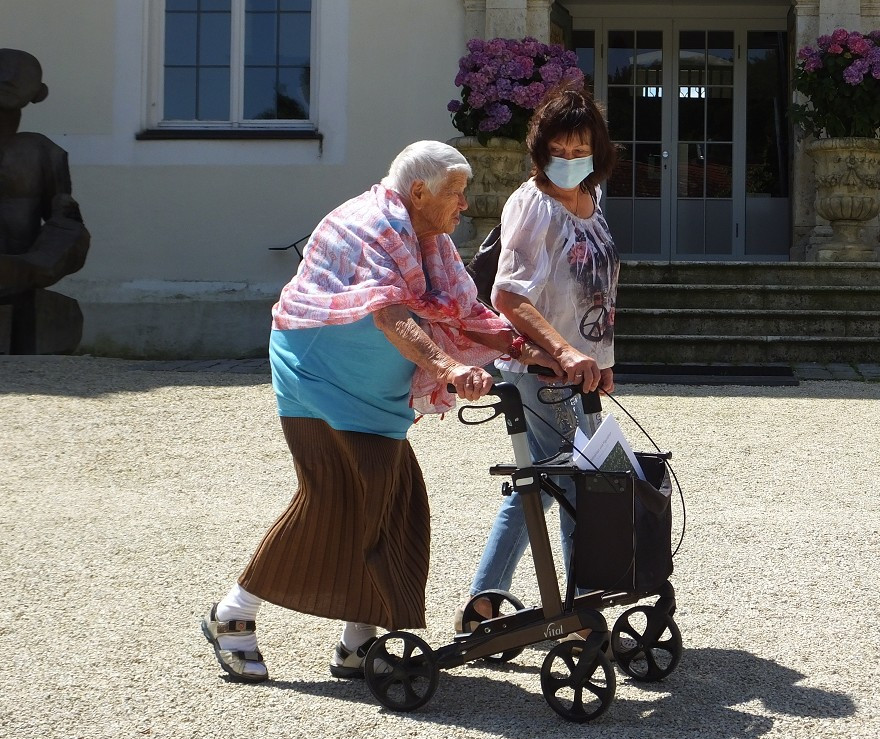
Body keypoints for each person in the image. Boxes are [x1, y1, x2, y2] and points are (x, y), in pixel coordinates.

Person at [201, 140, 558, 683]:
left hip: (372, 393)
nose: (465, 205)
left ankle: (357, 641)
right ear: (419, 191)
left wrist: (537, 353)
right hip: (318, 378)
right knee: (335, 501)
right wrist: (447, 370)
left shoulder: (429, 241)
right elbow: (390, 314)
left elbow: (466, 313)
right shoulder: (365, 225)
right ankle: (233, 614)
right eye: (456, 194)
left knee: (395, 500)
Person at [457, 86, 620, 630]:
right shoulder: (532, 203)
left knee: (544, 481)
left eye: (581, 150)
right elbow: (508, 295)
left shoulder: (594, 203)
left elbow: (595, 289)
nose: (570, 161)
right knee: (571, 480)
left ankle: (484, 602)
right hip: (540, 367)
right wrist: (565, 350)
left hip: (581, 368)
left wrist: (600, 356)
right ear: (541, 149)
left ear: (597, 150)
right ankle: (583, 603)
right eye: (561, 150)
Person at [0, 48, 90, 296]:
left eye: (19, 74)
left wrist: (37, 264)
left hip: (24, 274)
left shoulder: (42, 151)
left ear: (38, 94)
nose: (7, 79)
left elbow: (64, 222)